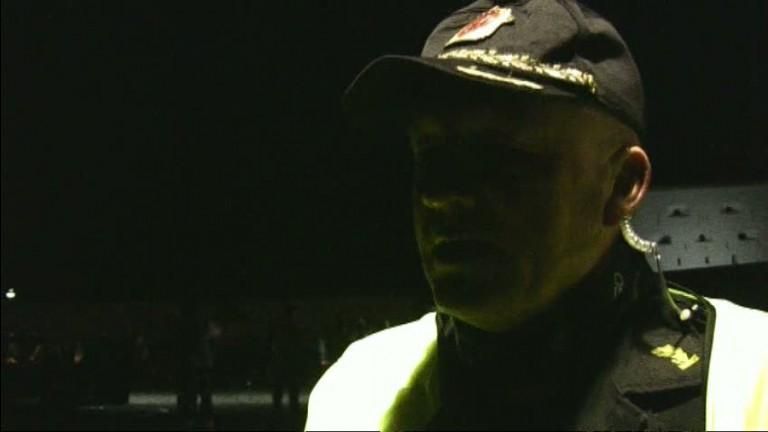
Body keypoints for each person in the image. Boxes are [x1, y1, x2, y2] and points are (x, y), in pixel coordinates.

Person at [305, 1, 768, 430]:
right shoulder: (360, 387)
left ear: (623, 184)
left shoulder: (751, 376)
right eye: (431, 155)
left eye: (499, 158)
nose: (444, 197)